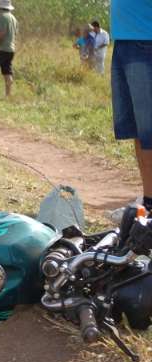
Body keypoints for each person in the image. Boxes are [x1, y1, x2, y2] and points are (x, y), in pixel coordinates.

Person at [111, 1, 152, 211]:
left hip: (146, 41)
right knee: (139, 131)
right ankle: (149, 201)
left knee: (149, 131)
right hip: (124, 41)